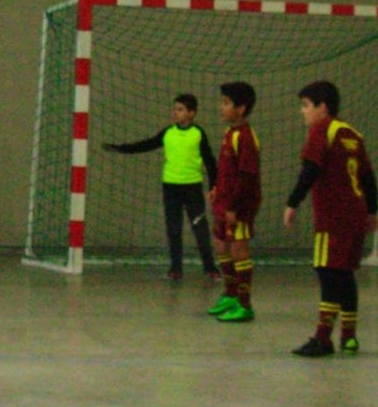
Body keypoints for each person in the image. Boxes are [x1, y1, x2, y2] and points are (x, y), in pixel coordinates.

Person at [284, 80, 378, 357]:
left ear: (322, 107)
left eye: (305, 106)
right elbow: (368, 178)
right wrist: (372, 210)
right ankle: (349, 337)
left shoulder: (321, 130)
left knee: (327, 272)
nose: (302, 112)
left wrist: (292, 202)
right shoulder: (352, 133)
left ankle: (323, 337)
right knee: (344, 273)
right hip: (356, 214)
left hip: (333, 217)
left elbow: (310, 169)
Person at [103, 93, 220, 281]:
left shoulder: (198, 134)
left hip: (192, 189)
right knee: (173, 230)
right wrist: (121, 148)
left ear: (192, 113)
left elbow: (210, 162)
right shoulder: (168, 133)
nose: (175, 112)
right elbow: (146, 144)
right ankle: (175, 269)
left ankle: (210, 268)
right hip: (170, 188)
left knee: (200, 229)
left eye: (180, 109)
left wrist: (214, 186)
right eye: (174, 109)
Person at [207, 81, 261, 322]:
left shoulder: (247, 138)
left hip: (239, 206)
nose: (221, 107)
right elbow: (227, 170)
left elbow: (247, 176)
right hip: (224, 202)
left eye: (227, 103)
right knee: (219, 245)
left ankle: (244, 304)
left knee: (239, 250)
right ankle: (229, 294)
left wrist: (234, 207)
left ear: (241, 109)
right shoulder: (230, 133)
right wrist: (217, 188)